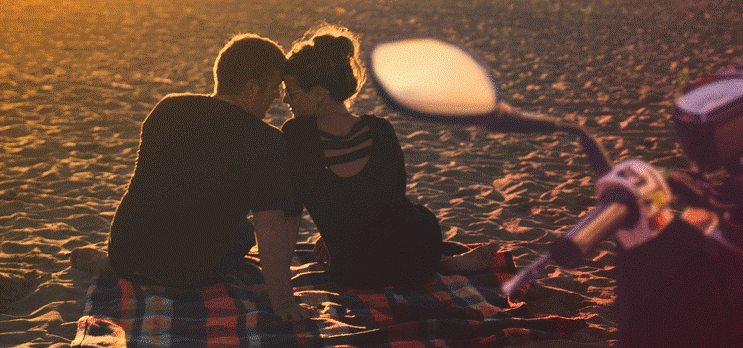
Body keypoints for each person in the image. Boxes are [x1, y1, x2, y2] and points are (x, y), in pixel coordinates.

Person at [71, 33, 315, 321]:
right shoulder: (267, 140)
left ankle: (113, 265)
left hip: (125, 252)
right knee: (245, 231)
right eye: (274, 88)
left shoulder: (168, 107)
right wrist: (283, 302)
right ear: (251, 88)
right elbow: (270, 229)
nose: (278, 97)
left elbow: (150, 188)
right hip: (186, 272)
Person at [280, 24, 497, 289]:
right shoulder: (380, 129)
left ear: (317, 94)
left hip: (353, 269)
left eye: (290, 92)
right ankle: (442, 265)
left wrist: (279, 284)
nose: (285, 101)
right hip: (415, 252)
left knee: (386, 246)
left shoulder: (296, 135)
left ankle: (443, 265)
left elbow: (291, 215)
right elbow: (388, 200)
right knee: (416, 218)